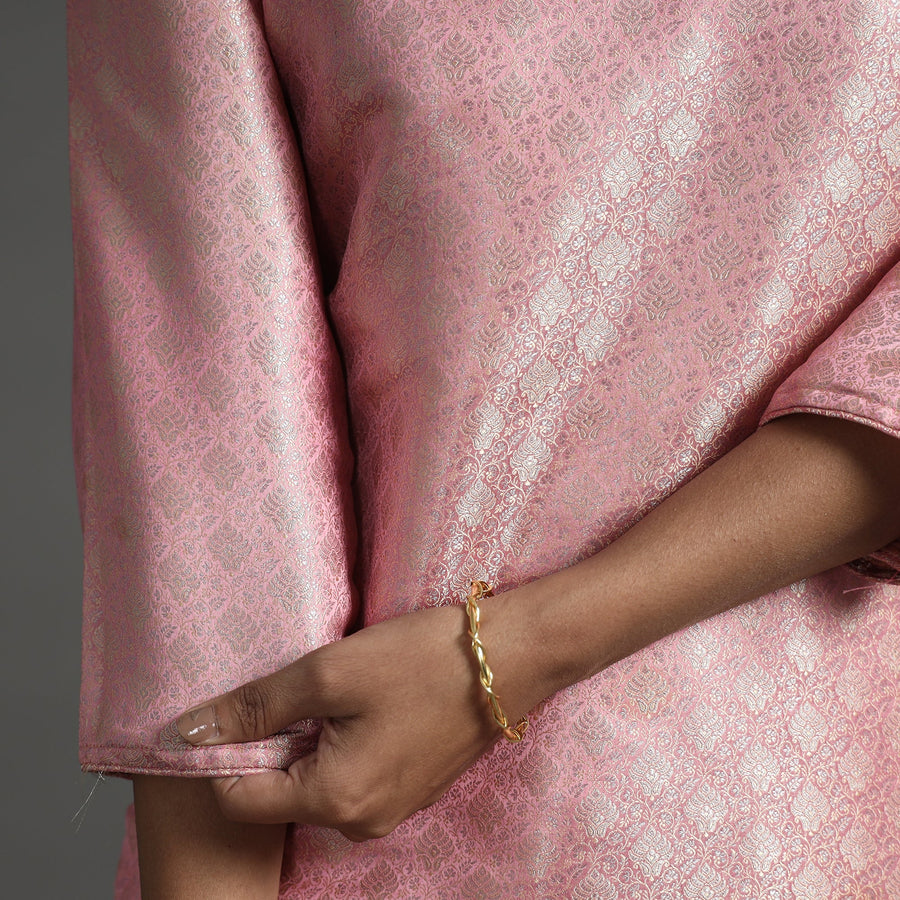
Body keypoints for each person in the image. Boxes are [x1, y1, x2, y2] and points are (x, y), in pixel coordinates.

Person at [69, 0, 900, 896]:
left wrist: (508, 656)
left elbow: (203, 443)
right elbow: (205, 442)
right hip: (415, 825)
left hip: (801, 816)